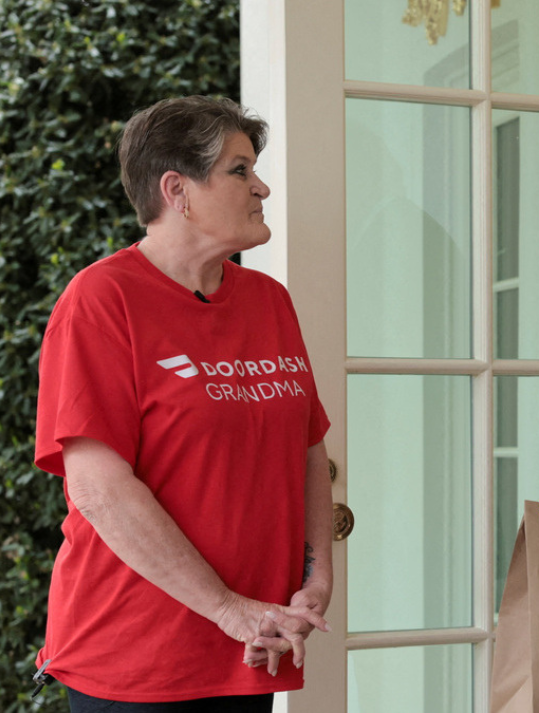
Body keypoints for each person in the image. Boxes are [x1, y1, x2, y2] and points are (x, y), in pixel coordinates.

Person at [32, 96, 334, 711]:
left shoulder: (268, 302)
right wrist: (228, 609)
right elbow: (99, 490)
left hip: (249, 649)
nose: (263, 188)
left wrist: (315, 578)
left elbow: (307, 449)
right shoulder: (102, 300)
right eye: (240, 170)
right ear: (177, 189)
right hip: (135, 659)